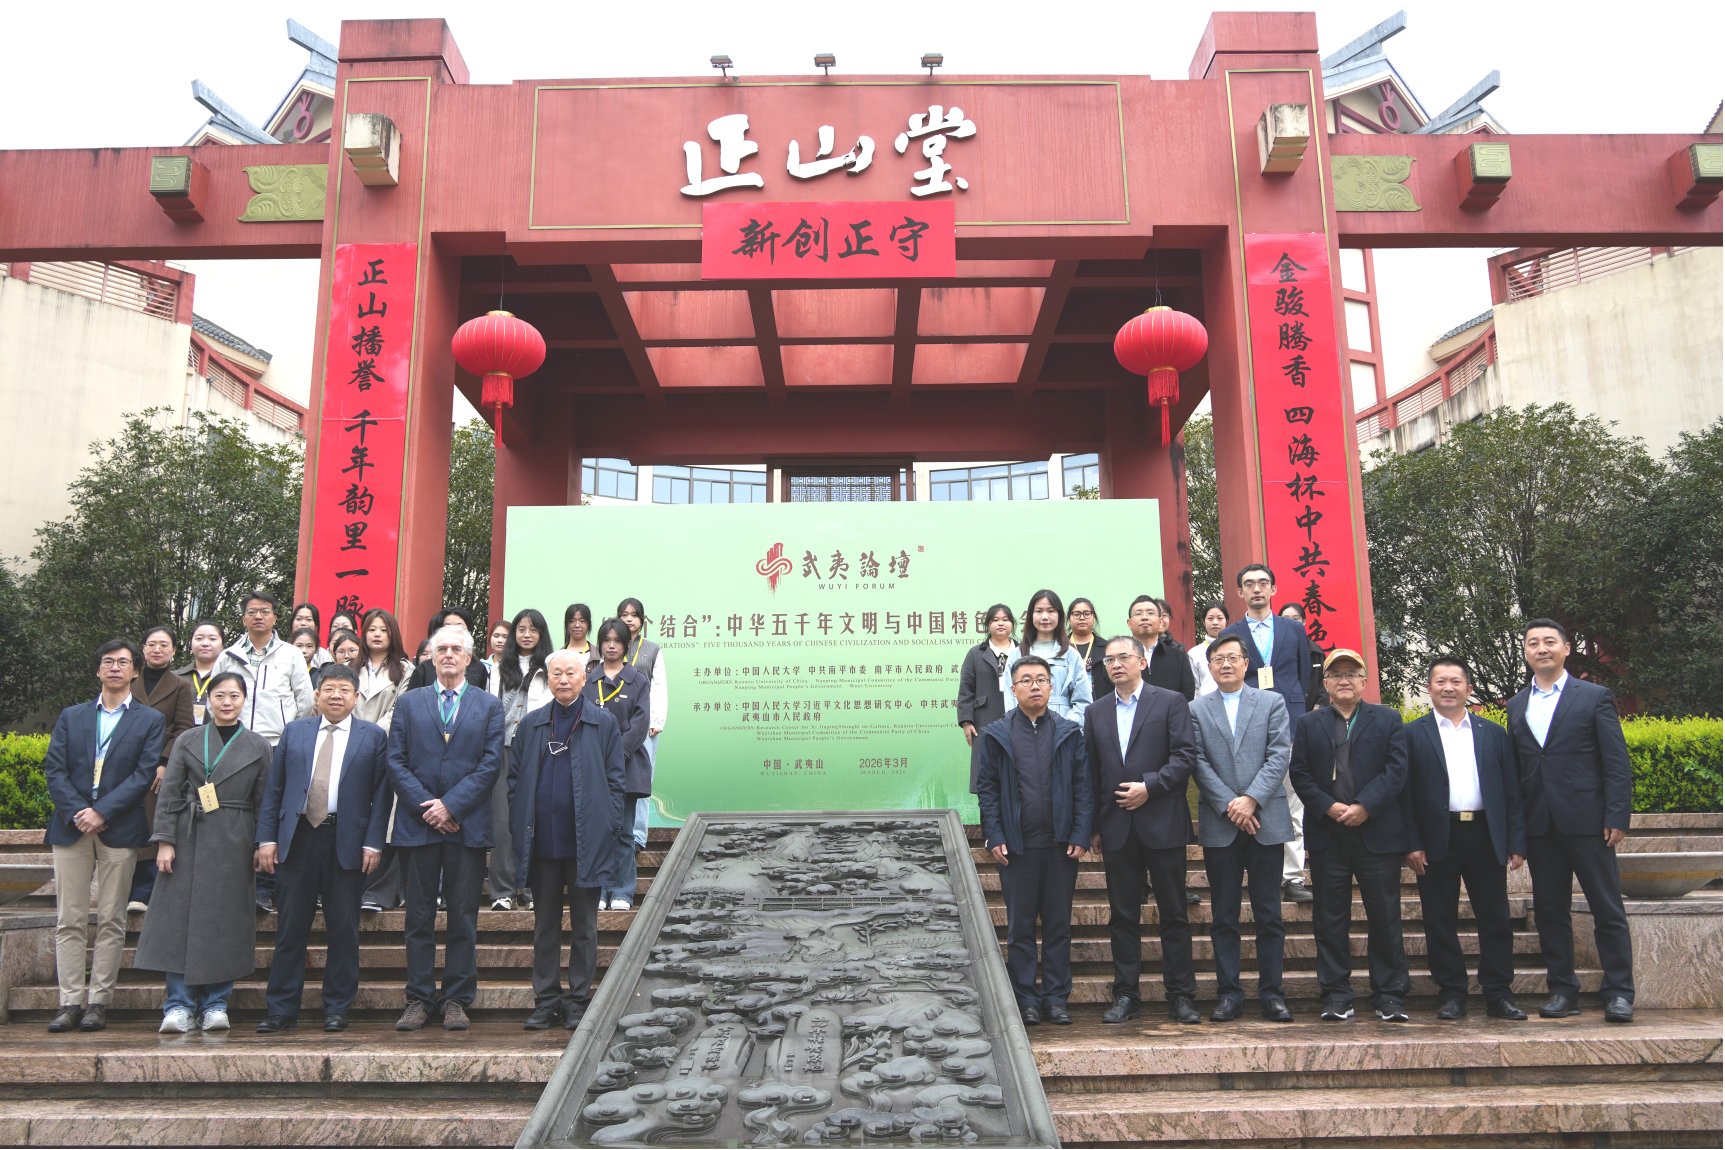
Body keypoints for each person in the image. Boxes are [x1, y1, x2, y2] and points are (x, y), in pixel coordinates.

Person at [1507, 619, 1635, 1024]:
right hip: (1540, 825)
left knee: (1607, 908)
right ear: (1526, 653)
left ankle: (1619, 993)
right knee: (1549, 912)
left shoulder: (1594, 696)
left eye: (1549, 641)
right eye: (1533, 643)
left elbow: (1615, 761)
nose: (1541, 648)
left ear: (1565, 648)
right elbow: (1517, 772)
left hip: (1590, 822)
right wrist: (1517, 834)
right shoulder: (1516, 705)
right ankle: (1563, 990)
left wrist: (1617, 814)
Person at [132, 671, 272, 1034]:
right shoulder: (188, 739)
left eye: (234, 696)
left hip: (235, 839)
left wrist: (262, 843)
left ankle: (215, 1004)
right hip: (188, 835)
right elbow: (170, 792)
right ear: (208, 700)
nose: (227, 702)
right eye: (219, 695)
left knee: (226, 923)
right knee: (178, 921)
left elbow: (264, 802)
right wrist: (165, 841)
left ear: (245, 700)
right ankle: (178, 1005)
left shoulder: (259, 746)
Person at [254, 665, 390, 1033]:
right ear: (316, 695)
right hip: (297, 838)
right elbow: (274, 789)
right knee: (290, 928)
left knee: (343, 929)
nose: (335, 696)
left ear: (356, 697)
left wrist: (373, 842)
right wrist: (267, 839)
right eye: (328, 688)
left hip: (346, 841)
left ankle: (337, 1007)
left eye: (344, 690)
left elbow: (382, 795)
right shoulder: (295, 731)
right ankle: (281, 1009)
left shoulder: (373, 736)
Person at [42, 640, 166, 1034]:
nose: (115, 667)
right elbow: (55, 769)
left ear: (135, 672)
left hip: (120, 828)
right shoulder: (72, 716)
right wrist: (79, 812)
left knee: (112, 919)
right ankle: (69, 1002)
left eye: (123, 662)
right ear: (98, 670)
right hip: (72, 827)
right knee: (70, 919)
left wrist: (103, 811)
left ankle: (98, 1002)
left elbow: (144, 774)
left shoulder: (150, 720)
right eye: (108, 661)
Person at [386, 625, 504, 1032]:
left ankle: (456, 998)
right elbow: (396, 762)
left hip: (465, 827)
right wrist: (430, 809)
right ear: (432, 658)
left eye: (457, 649)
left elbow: (490, 764)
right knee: (418, 917)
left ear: (469, 658)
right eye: (442, 649)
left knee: (463, 917)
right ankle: (418, 999)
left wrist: (451, 806)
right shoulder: (409, 702)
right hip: (418, 826)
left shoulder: (489, 705)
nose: (449, 654)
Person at [1289, 648, 1414, 1023]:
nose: (1344, 680)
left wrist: (1365, 806)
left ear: (1364, 681)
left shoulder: (1388, 719)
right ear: (1325, 683)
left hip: (1376, 832)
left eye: (1352, 674)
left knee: (1385, 916)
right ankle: (1336, 994)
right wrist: (1328, 806)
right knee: (1330, 919)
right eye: (1336, 674)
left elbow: (1397, 770)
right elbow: (1299, 773)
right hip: (1328, 834)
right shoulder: (1309, 723)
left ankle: (1389, 995)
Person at [1085, 635, 1201, 1025]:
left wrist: (1150, 786)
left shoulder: (1170, 701)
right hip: (1116, 827)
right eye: (1109, 660)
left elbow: (1185, 756)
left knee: (1174, 913)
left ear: (1142, 661)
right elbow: (1093, 771)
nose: (1116, 664)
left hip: (1162, 822)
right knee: (1122, 916)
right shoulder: (1096, 712)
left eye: (1123, 657)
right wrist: (1094, 826)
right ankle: (1126, 995)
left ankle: (1181, 995)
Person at [1405, 656, 1528, 1022]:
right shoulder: (1412, 734)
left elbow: (1512, 791)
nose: (1448, 688)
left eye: (1456, 682)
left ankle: (1498, 994)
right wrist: (1411, 843)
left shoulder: (1493, 733)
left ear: (1469, 689)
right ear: (1429, 688)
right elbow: (1404, 795)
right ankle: (1452, 993)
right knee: (1438, 919)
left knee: (1496, 918)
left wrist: (1516, 841)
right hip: (1436, 836)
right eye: (1440, 681)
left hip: (1485, 833)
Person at [510, 649, 627, 1030]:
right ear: (547, 679)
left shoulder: (602, 723)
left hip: (586, 843)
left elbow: (616, 781)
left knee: (585, 928)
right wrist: (519, 817)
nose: (563, 679)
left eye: (570, 673)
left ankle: (577, 1000)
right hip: (542, 844)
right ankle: (546, 1001)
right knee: (544, 926)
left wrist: (608, 823)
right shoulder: (531, 724)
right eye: (556, 673)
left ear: (584, 677)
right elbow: (514, 780)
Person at [975, 655, 1092, 1027]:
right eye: (1026, 680)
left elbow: (1083, 787)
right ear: (1013, 689)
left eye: (1041, 679)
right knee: (1020, 928)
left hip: (1060, 847)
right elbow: (987, 790)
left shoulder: (1069, 732)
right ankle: (1026, 999)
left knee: (1058, 926)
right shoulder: (997, 734)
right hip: (1017, 848)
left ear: (1051, 686)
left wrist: (1081, 833)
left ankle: (1056, 999)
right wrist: (995, 834)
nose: (1035, 685)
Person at [1189, 634, 1295, 1022]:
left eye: (1233, 657)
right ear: (1210, 666)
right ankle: (1229, 993)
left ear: (1246, 663)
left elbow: (1279, 754)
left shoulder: (1271, 702)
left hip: (1265, 819)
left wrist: (1251, 799)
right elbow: (1197, 761)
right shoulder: (1196, 709)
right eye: (1218, 659)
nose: (1226, 664)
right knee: (1224, 915)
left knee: (1269, 914)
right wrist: (1230, 804)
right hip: (1221, 823)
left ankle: (1272, 993)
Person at [1218, 566, 1313, 904]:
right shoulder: (1231, 633)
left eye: (1262, 583)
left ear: (1273, 589)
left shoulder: (1293, 629)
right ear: (1240, 592)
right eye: (1249, 584)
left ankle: (1293, 877)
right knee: (1251, 796)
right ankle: (1259, 873)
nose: (1256, 589)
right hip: (1246, 727)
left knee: (1292, 800)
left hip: (1289, 725)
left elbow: (1304, 675)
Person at [220, 591, 315, 913]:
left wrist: (289, 733)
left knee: (271, 812)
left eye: (264, 611)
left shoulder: (290, 654)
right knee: (238, 811)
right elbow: (218, 696)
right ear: (243, 618)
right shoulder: (229, 655)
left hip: (276, 744)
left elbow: (305, 699)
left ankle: (266, 887)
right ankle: (236, 883)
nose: (258, 616)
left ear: (275, 617)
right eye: (252, 612)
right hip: (236, 742)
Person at [486, 608, 552, 911]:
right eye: (521, 629)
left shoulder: (550, 667)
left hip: (539, 749)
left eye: (533, 630)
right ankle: (503, 891)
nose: (527, 635)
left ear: (541, 634)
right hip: (503, 749)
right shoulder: (500, 667)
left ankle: (534, 890)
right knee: (503, 821)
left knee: (537, 820)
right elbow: (491, 709)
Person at [583, 619, 652, 911]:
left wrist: (617, 753)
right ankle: (599, 891)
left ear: (627, 645)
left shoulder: (638, 680)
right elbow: (581, 719)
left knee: (623, 831)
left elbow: (640, 723)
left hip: (627, 766)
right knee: (597, 832)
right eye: (606, 640)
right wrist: (596, 754)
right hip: (593, 767)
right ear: (599, 644)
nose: (611, 646)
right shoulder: (588, 680)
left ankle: (622, 891)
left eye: (618, 641)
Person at [127, 626, 196, 913]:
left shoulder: (180, 685)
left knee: (152, 823)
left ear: (174, 651)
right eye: (151, 644)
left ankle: (143, 892)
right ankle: (122, 889)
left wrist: (166, 762)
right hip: (126, 763)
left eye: (164, 645)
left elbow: (184, 728)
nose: (157, 649)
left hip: (158, 767)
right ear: (142, 649)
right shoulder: (128, 679)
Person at [355, 609, 415, 913]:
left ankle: (379, 893)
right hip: (350, 750)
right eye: (371, 629)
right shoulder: (350, 667)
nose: (377, 634)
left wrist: (368, 734)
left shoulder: (405, 670)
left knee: (387, 817)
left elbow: (399, 710)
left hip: (387, 748)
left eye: (383, 629)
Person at [614, 598, 666, 893]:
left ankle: (636, 836)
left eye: (634, 615)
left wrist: (657, 719)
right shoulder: (612, 646)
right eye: (624, 614)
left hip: (644, 723)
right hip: (614, 722)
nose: (629, 619)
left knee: (640, 781)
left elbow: (659, 686)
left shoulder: (652, 649)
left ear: (642, 620)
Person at [958, 605, 1018, 794]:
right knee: (987, 775)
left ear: (1012, 624)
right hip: (985, 718)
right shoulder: (975, 654)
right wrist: (966, 721)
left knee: (1019, 772)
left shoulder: (1024, 651)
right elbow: (966, 690)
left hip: (1020, 716)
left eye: (1005, 619)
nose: (1001, 623)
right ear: (987, 625)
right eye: (995, 620)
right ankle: (989, 811)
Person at [1017, 590, 1093, 720]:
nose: (1045, 617)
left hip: (1062, 722)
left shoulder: (1071, 654)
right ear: (1031, 615)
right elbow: (1010, 697)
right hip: (1024, 725)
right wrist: (1020, 726)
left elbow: (1083, 701)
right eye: (1039, 611)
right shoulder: (1017, 654)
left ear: (1059, 616)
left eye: (1051, 611)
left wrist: (1065, 727)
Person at [1107, 596, 1196, 702]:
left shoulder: (1178, 656)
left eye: (1150, 613)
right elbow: (1108, 695)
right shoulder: (1116, 660)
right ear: (1129, 624)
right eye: (1138, 613)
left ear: (1161, 622)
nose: (1144, 617)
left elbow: (1187, 696)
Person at [404, 607, 491, 691]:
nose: (453, 632)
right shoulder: (423, 669)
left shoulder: (479, 668)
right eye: (447, 628)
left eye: (459, 628)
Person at [176, 621, 226, 727]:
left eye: (212, 639)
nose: (205, 643)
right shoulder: (175, 677)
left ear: (222, 645)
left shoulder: (229, 679)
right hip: (181, 735)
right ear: (191, 643)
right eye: (199, 638)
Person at [1279, 603, 1327, 711]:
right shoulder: (1273, 652)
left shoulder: (1316, 651)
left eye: (1295, 619)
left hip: (1312, 711)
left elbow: (1325, 680)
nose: (1291, 623)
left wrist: (1320, 705)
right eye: (1286, 619)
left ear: (1304, 622)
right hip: (1283, 710)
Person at [1190, 601, 1228, 697]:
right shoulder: (1194, 653)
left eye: (1220, 618)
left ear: (1226, 621)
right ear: (1203, 621)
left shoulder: (1236, 649)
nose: (1215, 623)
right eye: (1210, 618)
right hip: (1204, 703)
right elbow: (1194, 688)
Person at [1066, 598, 1102, 686]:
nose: (1082, 618)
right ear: (1069, 618)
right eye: (1076, 614)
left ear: (1093, 618)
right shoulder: (1059, 648)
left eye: (1087, 614)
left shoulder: (1106, 648)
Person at [290, 603, 332, 671]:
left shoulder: (323, 655)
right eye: (299, 619)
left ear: (316, 625)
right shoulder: (283, 651)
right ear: (292, 623)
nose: (303, 623)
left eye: (309, 619)